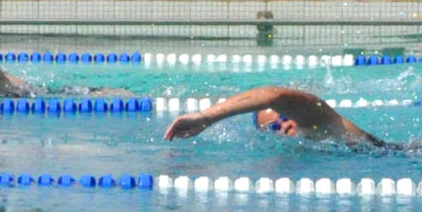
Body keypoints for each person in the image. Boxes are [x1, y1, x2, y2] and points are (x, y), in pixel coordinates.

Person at [162, 85, 385, 147]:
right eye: (273, 128)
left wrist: (206, 117)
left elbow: (273, 96)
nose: (283, 126)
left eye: (283, 117)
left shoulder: (323, 123)